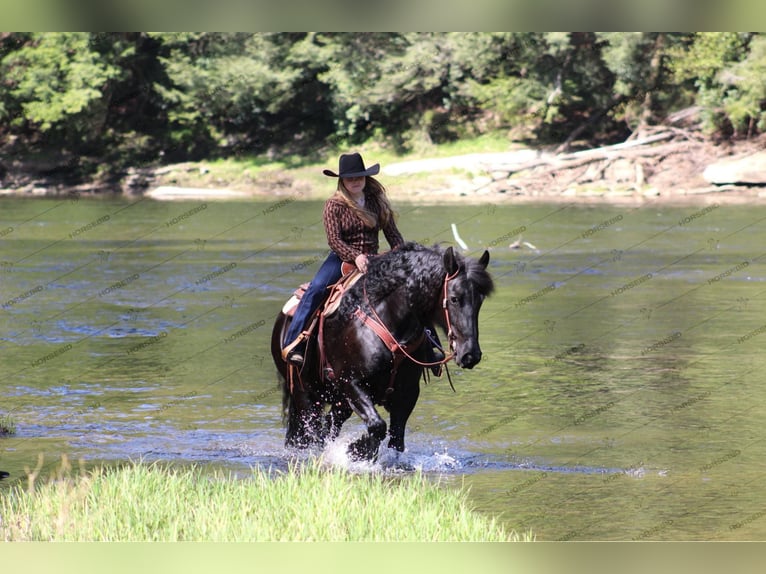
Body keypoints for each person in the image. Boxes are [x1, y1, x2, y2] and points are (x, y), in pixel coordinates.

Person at [282, 152, 405, 366]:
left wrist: (402, 254)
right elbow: (334, 240)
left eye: (359, 177)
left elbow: (392, 234)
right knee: (317, 289)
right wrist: (355, 256)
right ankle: (295, 342)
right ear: (342, 181)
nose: (355, 181)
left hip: (374, 260)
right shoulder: (334, 205)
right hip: (340, 259)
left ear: (366, 178)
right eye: (350, 178)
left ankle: (429, 343)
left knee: (409, 288)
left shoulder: (376, 202)